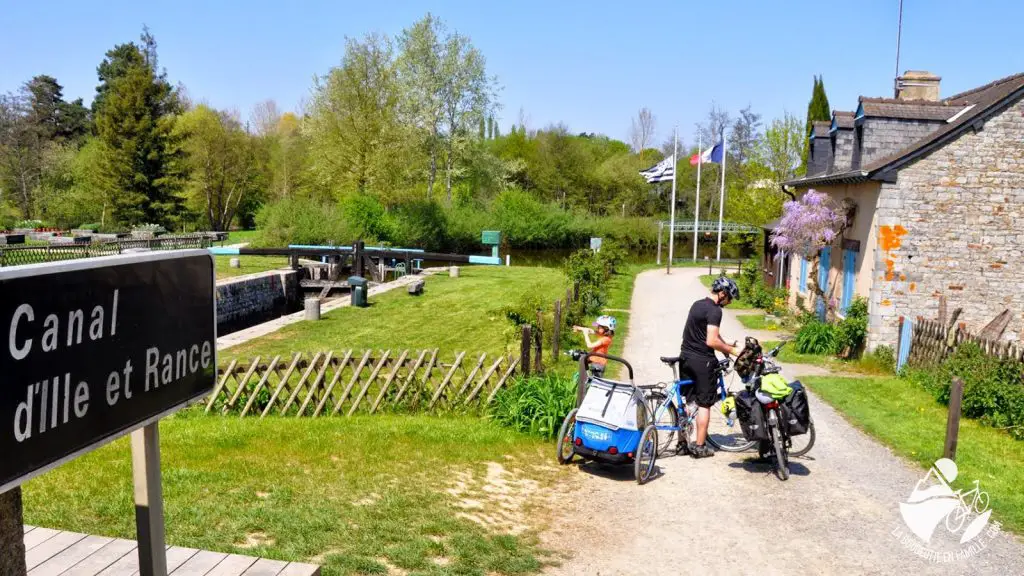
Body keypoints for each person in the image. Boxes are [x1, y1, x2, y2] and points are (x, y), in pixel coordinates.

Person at [679, 276, 742, 458]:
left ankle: (682, 444)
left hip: (686, 357)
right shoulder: (715, 311)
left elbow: (708, 334)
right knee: (704, 403)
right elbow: (711, 340)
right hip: (702, 362)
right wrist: (732, 350)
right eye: (729, 298)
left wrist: (729, 346)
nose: (729, 302)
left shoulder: (697, 304)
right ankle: (699, 447)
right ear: (722, 294)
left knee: (688, 401)